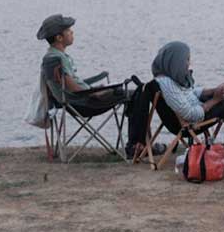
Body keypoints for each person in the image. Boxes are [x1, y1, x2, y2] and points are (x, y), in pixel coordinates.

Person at [37, 14, 161, 157]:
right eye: (69, 30)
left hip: (75, 100)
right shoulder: (56, 59)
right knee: (139, 94)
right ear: (59, 37)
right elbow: (72, 87)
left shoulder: (52, 56)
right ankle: (138, 146)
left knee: (135, 93)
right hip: (83, 102)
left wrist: (95, 88)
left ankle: (138, 144)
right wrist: (95, 92)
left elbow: (69, 85)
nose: (72, 32)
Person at [131, 41, 224, 164]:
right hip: (190, 123)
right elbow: (190, 114)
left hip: (196, 110)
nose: (189, 63)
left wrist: (214, 91)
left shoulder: (170, 77)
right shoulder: (167, 85)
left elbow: (190, 93)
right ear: (175, 60)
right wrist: (215, 99)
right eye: (186, 59)